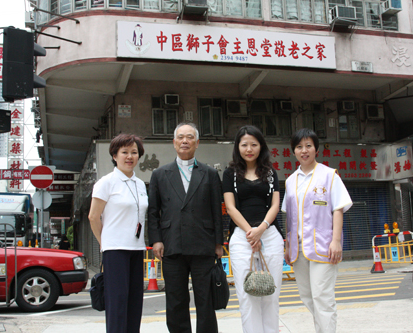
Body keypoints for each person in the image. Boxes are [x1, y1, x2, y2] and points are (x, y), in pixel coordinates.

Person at [148, 122, 224, 333]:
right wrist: (156, 240)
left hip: (203, 244)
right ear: (174, 143)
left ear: (197, 143)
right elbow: (153, 211)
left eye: (189, 137)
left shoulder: (209, 173)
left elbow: (216, 210)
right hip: (172, 244)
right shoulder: (160, 174)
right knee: (175, 301)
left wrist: (219, 242)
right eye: (180, 137)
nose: (185, 141)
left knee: (205, 300)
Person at [282, 128, 352, 333]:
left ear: (316, 149)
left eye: (308, 146)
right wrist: (287, 245)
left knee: (322, 296)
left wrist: (336, 241)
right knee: (307, 296)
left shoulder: (329, 175)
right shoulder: (290, 181)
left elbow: (338, 208)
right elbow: (289, 216)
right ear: (293, 151)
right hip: (298, 248)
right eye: (299, 147)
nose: (304, 151)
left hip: (324, 246)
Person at [222, 125, 284, 333]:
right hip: (242, 237)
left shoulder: (270, 173)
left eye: (254, 144)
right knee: (247, 296)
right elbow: (230, 207)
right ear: (238, 147)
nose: (249, 149)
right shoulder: (230, 174)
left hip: (270, 235)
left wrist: (262, 228)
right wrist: (252, 232)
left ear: (261, 146)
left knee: (270, 295)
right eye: (244, 144)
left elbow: (276, 205)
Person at [88, 133, 148, 333]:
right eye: (124, 152)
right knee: (117, 303)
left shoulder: (139, 184)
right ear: (114, 155)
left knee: (134, 302)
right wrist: (105, 243)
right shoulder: (106, 182)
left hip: (136, 249)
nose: (129, 156)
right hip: (115, 250)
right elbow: (93, 217)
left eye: (134, 152)